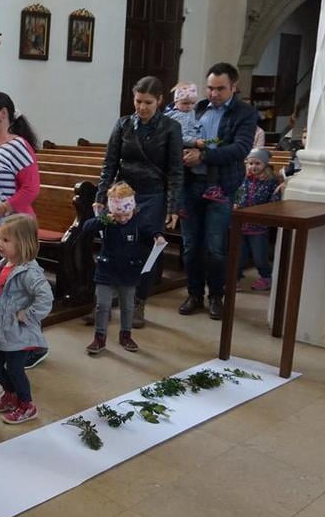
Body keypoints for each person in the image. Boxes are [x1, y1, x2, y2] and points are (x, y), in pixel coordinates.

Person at [95, 76, 182, 328]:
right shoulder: (123, 124)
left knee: (144, 249)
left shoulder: (171, 127)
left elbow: (176, 170)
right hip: (124, 194)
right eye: (138, 101)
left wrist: (173, 206)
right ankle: (106, 299)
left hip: (153, 194)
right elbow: (110, 163)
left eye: (148, 102)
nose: (142, 107)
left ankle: (137, 302)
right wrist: (101, 196)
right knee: (114, 244)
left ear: (160, 101)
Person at [0, 91, 47, 368]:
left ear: (3, 113)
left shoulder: (18, 146)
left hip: (13, 234)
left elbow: (31, 189)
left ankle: (34, 346)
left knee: (18, 293)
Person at [179, 62, 259, 319]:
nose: (213, 94)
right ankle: (194, 294)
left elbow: (240, 149)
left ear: (233, 87)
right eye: (210, 88)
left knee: (215, 247)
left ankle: (216, 296)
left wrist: (203, 156)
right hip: (190, 185)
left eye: (220, 89)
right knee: (190, 246)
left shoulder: (245, 113)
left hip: (221, 187)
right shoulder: (199, 108)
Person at [0, 214, 52, 424]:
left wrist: (28, 314)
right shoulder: (5, 264)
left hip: (19, 334)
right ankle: (11, 393)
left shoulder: (30, 272)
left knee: (15, 369)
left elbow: (46, 298)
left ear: (22, 243)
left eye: (5, 240)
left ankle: (26, 406)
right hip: (1, 330)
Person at [81, 183, 163, 355]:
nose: (123, 219)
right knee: (102, 305)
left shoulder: (138, 219)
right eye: (119, 215)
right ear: (112, 211)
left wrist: (158, 236)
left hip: (129, 270)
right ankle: (99, 338)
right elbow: (87, 227)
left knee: (127, 306)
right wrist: (103, 219)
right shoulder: (107, 219)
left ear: (132, 208)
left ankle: (126, 335)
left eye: (126, 214)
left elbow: (150, 230)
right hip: (106, 269)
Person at [235, 148, 283, 291]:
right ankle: (234, 278)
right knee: (238, 255)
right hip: (241, 223)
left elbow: (274, 201)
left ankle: (266, 277)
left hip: (259, 226)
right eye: (250, 163)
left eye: (257, 163)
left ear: (265, 165)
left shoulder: (270, 182)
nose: (253, 167)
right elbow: (237, 194)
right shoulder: (243, 179)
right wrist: (235, 203)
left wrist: (266, 212)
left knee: (259, 256)